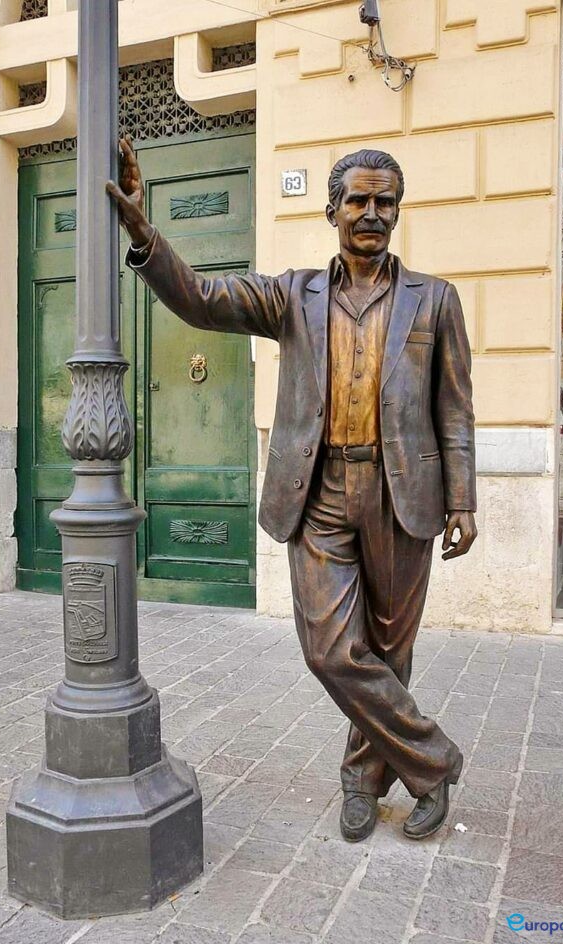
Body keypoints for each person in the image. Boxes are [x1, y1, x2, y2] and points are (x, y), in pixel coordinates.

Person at [108, 138, 478, 842]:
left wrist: (463, 498)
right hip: (320, 492)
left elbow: (455, 406)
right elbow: (204, 300)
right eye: (359, 201)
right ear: (331, 208)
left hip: (405, 494)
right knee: (332, 651)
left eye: (385, 201)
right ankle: (434, 761)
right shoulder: (292, 295)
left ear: (397, 210)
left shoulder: (436, 300)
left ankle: (363, 782)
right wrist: (142, 232)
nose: (372, 213)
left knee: (388, 654)